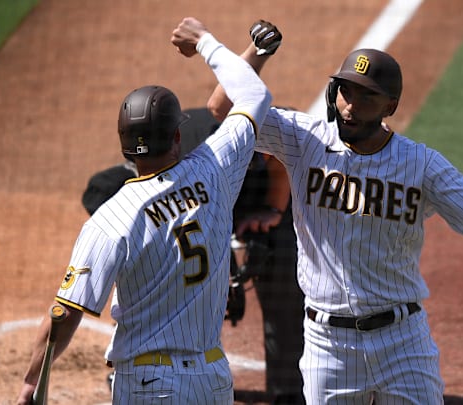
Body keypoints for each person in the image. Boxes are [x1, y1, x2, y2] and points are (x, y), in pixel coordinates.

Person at [233, 46, 463, 404]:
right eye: (346, 91)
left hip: (403, 341)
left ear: (390, 106)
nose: (351, 104)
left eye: (367, 96)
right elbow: (227, 108)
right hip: (327, 344)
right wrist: (255, 54)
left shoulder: (419, 163)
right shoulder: (305, 139)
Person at [15, 16, 272, 405]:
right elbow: (254, 96)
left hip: (150, 385)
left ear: (123, 147)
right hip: (213, 376)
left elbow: (63, 313)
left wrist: (32, 383)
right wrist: (204, 41)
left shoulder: (110, 219)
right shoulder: (215, 168)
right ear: (177, 136)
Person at [81, 20, 305, 404]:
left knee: (282, 274)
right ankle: (140, 364)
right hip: (204, 206)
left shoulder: (222, 147)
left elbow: (273, 155)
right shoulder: (153, 177)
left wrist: (271, 209)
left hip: (258, 196)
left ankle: (288, 391)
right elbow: (230, 100)